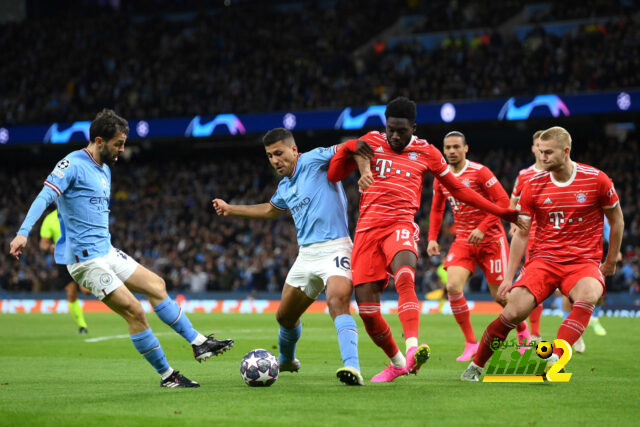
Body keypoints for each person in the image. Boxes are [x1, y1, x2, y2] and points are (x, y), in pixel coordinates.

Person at [9, 109, 233, 388]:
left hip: (107, 251)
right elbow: (45, 196)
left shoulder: (104, 169)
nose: (122, 149)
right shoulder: (72, 164)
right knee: (135, 311)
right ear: (100, 140)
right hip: (86, 262)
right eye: (118, 144)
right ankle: (168, 376)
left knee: (157, 285)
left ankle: (199, 343)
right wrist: (22, 233)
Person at [327, 97, 521, 382]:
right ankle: (397, 363)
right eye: (390, 129)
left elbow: (458, 189)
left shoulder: (427, 152)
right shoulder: (370, 142)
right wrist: (349, 146)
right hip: (367, 232)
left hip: (401, 224)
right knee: (368, 312)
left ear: (413, 128)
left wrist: (501, 211)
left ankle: (412, 348)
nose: (395, 135)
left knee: (405, 275)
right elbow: (333, 173)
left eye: (401, 131)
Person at [461, 126, 624, 381]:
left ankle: (556, 360)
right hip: (543, 262)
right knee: (513, 312)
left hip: (582, 263)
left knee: (589, 294)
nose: (543, 157)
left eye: (548, 152)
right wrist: (508, 277)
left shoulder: (597, 179)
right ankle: (477, 365)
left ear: (566, 151)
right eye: (540, 151)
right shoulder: (533, 185)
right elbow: (522, 234)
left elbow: (617, 220)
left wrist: (611, 259)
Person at [213, 127, 368, 386]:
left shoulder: (314, 159)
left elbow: (355, 145)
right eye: (270, 156)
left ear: (294, 150)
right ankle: (286, 361)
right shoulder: (285, 186)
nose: (275, 160)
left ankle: (352, 367)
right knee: (284, 317)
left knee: (337, 301)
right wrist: (231, 209)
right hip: (306, 255)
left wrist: (366, 173)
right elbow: (270, 210)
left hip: (336, 248)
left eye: (279, 153)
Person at [427, 131, 530, 361]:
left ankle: (522, 328)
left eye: (456, 147)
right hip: (463, 239)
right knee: (452, 286)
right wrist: (432, 237)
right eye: (448, 147)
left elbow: (503, 202)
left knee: (501, 297)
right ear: (443, 150)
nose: (452, 151)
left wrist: (483, 227)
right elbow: (436, 209)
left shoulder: (480, 172)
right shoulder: (440, 177)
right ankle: (471, 343)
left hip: (492, 239)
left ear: (466, 149)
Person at [509, 130, 546, 342]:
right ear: (533, 148)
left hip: (556, 234)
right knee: (534, 282)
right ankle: (535, 334)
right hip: (531, 235)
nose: (541, 149)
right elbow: (512, 202)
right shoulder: (524, 175)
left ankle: (572, 317)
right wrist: (514, 223)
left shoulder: (560, 173)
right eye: (538, 144)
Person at [40, 207, 89, 334]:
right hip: (63, 260)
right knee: (71, 293)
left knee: (86, 290)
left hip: (80, 256)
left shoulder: (76, 210)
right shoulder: (50, 219)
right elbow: (43, 244)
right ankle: (82, 325)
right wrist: (50, 247)